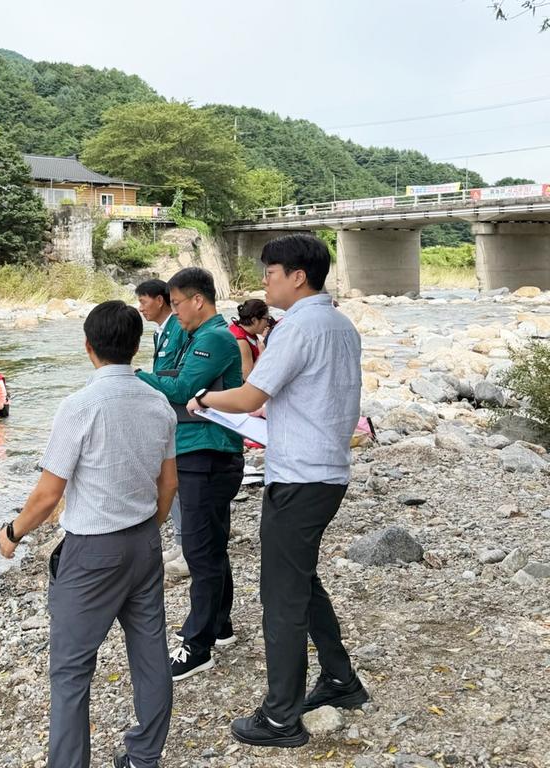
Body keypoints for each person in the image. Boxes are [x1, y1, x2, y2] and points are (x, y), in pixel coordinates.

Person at [186, 234, 369, 749]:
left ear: (297, 276)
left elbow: (248, 396)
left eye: (270, 272)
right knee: (300, 580)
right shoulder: (340, 323)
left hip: (300, 476)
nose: (264, 282)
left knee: (281, 597)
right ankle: (339, 680)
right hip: (327, 471)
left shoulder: (298, 328)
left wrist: (202, 396)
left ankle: (281, 717)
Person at [0, 300, 178, 768]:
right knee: (150, 653)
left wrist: (12, 533)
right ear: (137, 346)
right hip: (144, 542)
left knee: (72, 670)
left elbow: (47, 495)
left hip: (91, 552)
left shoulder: (79, 406)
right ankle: (144, 757)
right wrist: (150, 529)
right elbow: (170, 482)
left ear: (88, 347)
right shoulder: (158, 402)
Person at [135, 268, 244, 682]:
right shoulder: (200, 337)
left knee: (200, 551)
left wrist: (133, 376)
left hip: (207, 454)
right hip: (204, 453)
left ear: (198, 300)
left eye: (177, 303)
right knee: (211, 545)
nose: (174, 311)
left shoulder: (213, 338)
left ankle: (196, 647)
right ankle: (220, 627)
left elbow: (181, 389)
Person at [135, 279, 188, 574]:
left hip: (178, 413)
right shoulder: (161, 331)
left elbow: (175, 376)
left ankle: (185, 546)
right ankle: (181, 542)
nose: (141, 308)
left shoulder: (177, 329)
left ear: (159, 300)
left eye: (143, 302)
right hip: (168, 411)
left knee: (175, 480)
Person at [227, 299, 270, 381]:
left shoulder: (237, 327)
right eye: (267, 319)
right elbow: (247, 377)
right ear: (254, 320)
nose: (268, 323)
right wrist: (261, 355)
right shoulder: (241, 342)